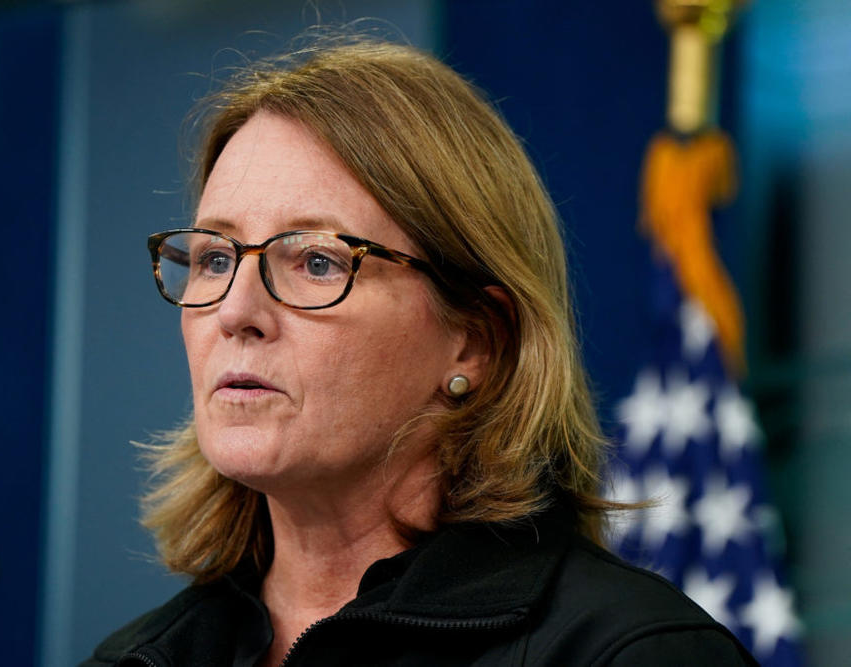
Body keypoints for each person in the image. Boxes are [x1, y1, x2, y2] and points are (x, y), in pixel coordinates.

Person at [82, 37, 755, 666]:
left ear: (476, 339)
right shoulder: (136, 659)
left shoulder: (630, 651)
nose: (235, 312)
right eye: (214, 257)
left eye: (316, 261)